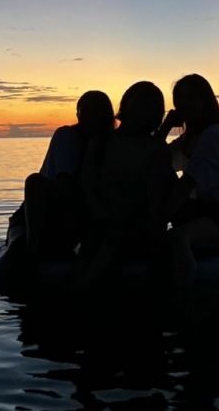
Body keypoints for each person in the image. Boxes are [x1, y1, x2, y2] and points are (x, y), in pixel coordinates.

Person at [0, 90, 115, 293]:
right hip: (32, 224)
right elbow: (66, 188)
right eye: (86, 114)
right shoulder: (66, 136)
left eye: (97, 114)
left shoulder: (111, 147)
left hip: (67, 229)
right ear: (78, 116)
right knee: (17, 246)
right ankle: (16, 273)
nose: (91, 120)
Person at [74, 81, 177, 290]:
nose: (141, 113)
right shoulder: (100, 144)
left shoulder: (157, 150)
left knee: (113, 240)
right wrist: (102, 219)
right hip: (98, 228)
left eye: (148, 108)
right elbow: (88, 187)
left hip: (133, 233)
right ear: (126, 107)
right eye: (138, 106)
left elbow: (156, 208)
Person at [155, 74, 219, 286]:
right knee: (159, 175)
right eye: (179, 100)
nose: (184, 105)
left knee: (177, 239)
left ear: (204, 101)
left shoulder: (213, 136)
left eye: (190, 98)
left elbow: (185, 186)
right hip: (205, 212)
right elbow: (155, 160)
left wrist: (156, 221)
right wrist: (165, 127)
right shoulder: (191, 138)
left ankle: (183, 300)